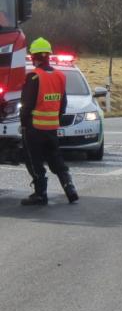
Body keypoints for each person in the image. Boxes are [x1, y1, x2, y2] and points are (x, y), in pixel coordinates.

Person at [19, 37, 79, 205]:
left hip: (34, 129)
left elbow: (26, 106)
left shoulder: (33, 77)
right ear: (48, 56)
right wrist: (55, 120)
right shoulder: (60, 76)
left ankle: (40, 194)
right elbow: (63, 103)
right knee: (56, 158)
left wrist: (24, 124)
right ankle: (69, 187)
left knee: (34, 161)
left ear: (34, 57)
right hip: (52, 128)